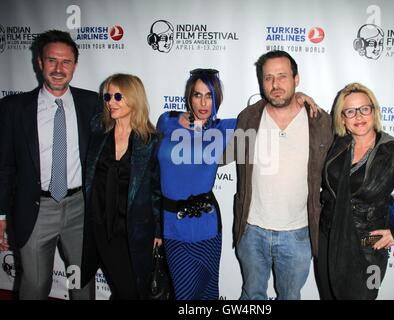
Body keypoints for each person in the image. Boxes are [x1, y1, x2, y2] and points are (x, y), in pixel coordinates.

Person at [0, 30, 99, 299]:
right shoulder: (13, 108)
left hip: (80, 209)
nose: (58, 69)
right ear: (40, 63)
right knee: (34, 286)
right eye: (52, 60)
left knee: (81, 282)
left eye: (66, 62)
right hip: (35, 210)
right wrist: (0, 215)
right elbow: (4, 166)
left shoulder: (92, 104)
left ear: (75, 66)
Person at [318, 82, 394, 299]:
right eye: (350, 111)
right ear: (342, 118)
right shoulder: (339, 143)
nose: (359, 116)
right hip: (329, 240)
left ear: (374, 111)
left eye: (365, 108)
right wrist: (301, 98)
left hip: (368, 248)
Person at [232, 50, 333, 300]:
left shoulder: (320, 122)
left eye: (282, 76)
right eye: (268, 78)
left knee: (290, 297)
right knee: (251, 294)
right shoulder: (248, 118)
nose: (275, 84)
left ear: (296, 79)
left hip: (298, 234)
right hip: (251, 230)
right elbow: (219, 149)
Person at [80, 73, 162, 299]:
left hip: (134, 230)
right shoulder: (98, 132)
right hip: (100, 226)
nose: (110, 102)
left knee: (133, 290)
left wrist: (158, 229)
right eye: (107, 96)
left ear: (134, 98)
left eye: (118, 96)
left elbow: (157, 190)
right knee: (123, 287)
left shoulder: (150, 141)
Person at [156, 68, 236, 300]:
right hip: (173, 224)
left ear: (217, 98)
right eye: (197, 95)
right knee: (184, 294)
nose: (203, 102)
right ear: (188, 97)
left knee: (208, 292)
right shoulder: (167, 121)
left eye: (209, 95)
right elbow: (152, 174)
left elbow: (263, 113)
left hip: (207, 225)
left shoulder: (224, 128)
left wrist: (301, 97)